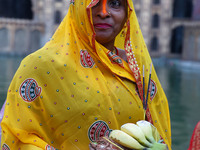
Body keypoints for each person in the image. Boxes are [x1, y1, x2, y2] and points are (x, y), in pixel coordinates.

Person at [1, 0, 171, 149]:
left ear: (128, 13)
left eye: (115, 3)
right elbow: (16, 137)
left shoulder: (137, 70)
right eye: (93, 2)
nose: (104, 13)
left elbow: (155, 134)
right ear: (77, 6)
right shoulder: (41, 66)